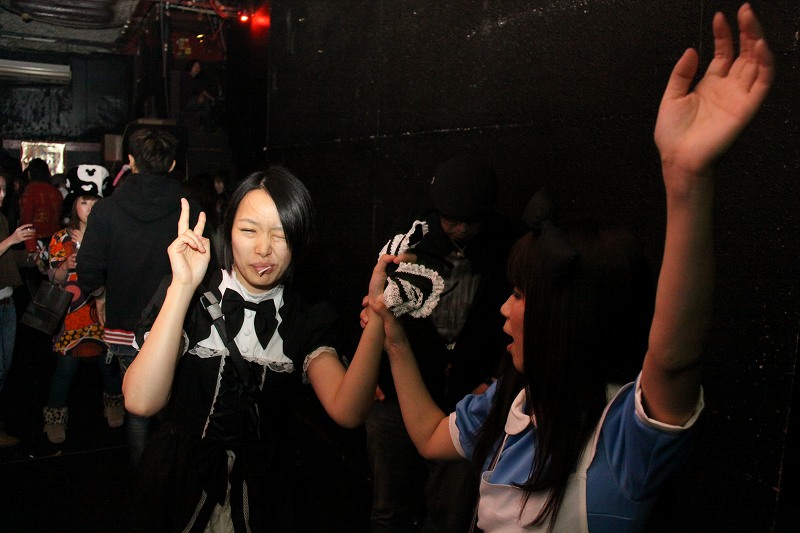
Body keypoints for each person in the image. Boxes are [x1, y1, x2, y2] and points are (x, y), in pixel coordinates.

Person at [364, 4, 773, 532]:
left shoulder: (622, 435)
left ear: (568, 314)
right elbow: (427, 436)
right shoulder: (507, 403)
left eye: (520, 294)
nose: (504, 308)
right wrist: (392, 335)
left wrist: (686, 175)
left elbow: (674, 356)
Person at [122, 166, 388, 531]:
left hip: (266, 489)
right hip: (179, 478)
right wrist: (183, 286)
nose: (263, 249)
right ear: (227, 230)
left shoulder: (304, 317)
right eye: (249, 230)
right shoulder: (189, 297)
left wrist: (379, 318)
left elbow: (348, 411)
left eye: (281, 234)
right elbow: (140, 401)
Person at [365, 153, 521, 532]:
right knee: (390, 507)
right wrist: (371, 374)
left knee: (450, 512)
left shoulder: (506, 246)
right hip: (403, 388)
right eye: (453, 220)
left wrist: (494, 381)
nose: (462, 229)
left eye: (471, 221)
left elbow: (509, 323)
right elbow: (373, 306)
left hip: (465, 397)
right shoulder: (410, 239)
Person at [77, 128, 200, 465]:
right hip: (176, 324)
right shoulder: (190, 210)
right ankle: (173, 475)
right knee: (172, 405)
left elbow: (88, 268)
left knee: (138, 407)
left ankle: (144, 480)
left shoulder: (106, 210)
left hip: (124, 325)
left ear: (131, 161)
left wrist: (100, 297)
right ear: (172, 164)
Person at [42, 168, 124, 445]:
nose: (89, 208)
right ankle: (54, 418)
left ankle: (114, 404)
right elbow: (54, 278)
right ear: (74, 204)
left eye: (95, 202)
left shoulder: (109, 235)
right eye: (84, 202)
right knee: (65, 368)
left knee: (108, 364)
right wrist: (66, 265)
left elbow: (117, 272)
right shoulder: (60, 238)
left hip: (102, 310)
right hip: (71, 313)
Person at [0, 171, 36, 447]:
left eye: (3, 189)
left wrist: (32, 258)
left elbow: (7, 258)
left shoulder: (1, 219)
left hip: (7, 301)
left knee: (4, 368)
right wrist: (12, 239)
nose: (2, 195)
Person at [19, 157, 62, 257]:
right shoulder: (56, 192)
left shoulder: (30, 190)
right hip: (55, 238)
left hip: (35, 240)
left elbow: (26, 219)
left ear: (30, 173)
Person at [180, 60, 216, 130]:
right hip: (184, 102)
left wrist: (201, 95)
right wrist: (211, 99)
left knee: (205, 102)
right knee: (206, 102)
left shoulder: (193, 78)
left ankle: (204, 125)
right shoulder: (186, 76)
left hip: (188, 101)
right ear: (190, 67)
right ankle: (207, 127)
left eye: (199, 67)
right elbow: (201, 90)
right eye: (195, 66)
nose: (197, 69)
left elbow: (200, 90)